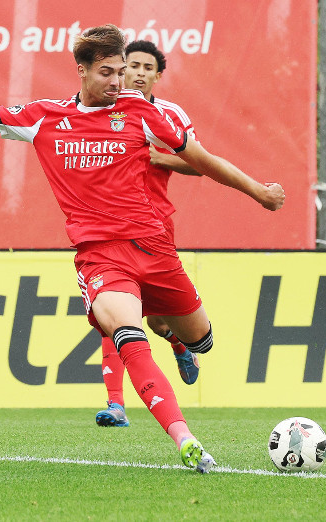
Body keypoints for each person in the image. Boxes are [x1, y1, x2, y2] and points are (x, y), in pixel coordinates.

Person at [0, 24, 284, 472]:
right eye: (107, 72)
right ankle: (185, 439)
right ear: (80, 70)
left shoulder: (140, 111)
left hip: (155, 247)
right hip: (101, 255)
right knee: (126, 334)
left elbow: (200, 159)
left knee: (202, 341)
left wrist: (257, 191)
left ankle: (177, 339)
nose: (117, 82)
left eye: (121, 72)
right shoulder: (44, 117)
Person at [95, 40, 205, 428]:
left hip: (155, 229)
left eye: (147, 67)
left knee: (158, 322)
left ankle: (178, 343)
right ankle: (115, 404)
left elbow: (200, 163)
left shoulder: (169, 114)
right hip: (109, 230)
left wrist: (162, 157)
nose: (138, 72)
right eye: (132, 66)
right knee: (112, 314)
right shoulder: (101, 111)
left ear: (158, 75)